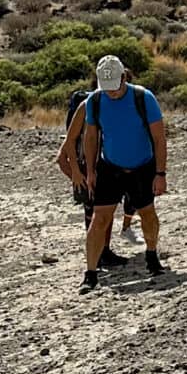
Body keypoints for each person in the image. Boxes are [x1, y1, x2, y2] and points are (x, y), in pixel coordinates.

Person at [79, 54, 166, 289]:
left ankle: (151, 254)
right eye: (107, 88)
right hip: (110, 167)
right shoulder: (95, 102)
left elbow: (159, 138)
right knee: (99, 218)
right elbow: (91, 136)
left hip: (142, 166)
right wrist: (90, 171)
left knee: (147, 213)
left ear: (123, 77)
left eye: (115, 86)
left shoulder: (143, 98)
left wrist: (160, 173)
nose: (112, 92)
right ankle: (90, 273)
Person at [54, 85, 122, 270]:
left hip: (100, 166)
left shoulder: (98, 115)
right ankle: (98, 256)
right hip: (88, 167)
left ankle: (104, 252)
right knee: (94, 215)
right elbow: (63, 154)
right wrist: (77, 176)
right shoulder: (86, 113)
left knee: (104, 212)